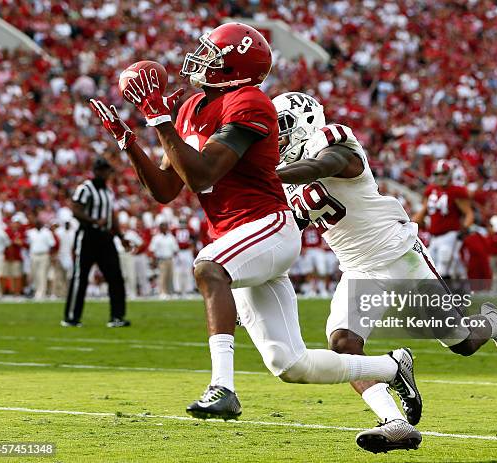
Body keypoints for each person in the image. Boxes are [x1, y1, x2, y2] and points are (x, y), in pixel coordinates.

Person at [89, 23, 423, 436]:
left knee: (208, 267)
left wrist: (159, 118)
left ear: (235, 69)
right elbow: (165, 188)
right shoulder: (192, 108)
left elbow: (203, 175)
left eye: (214, 53)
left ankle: (222, 387)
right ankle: (392, 366)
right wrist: (129, 140)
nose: (201, 57)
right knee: (290, 364)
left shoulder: (250, 102)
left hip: (268, 225)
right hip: (237, 238)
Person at [273, 91, 497, 453]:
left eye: (283, 126)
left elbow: (321, 167)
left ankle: (493, 323)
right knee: (344, 344)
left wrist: (264, 174)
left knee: (461, 342)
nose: (276, 136)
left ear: (306, 120)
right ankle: (394, 421)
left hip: (399, 257)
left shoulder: (332, 141)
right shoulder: (287, 178)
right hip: (357, 268)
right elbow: (286, 231)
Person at [62, 158, 130, 327]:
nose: (108, 174)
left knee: (115, 277)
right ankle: (71, 317)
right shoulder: (85, 188)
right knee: (80, 277)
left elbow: (111, 216)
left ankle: (117, 317)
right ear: (98, 171)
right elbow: (75, 209)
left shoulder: (108, 191)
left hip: (106, 237)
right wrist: (92, 220)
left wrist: (121, 237)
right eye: (106, 171)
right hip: (87, 235)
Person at [413, 160, 474, 280]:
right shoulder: (430, 190)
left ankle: (448, 296)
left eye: (443, 173)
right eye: (437, 174)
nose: (441, 177)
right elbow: (424, 210)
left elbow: (469, 213)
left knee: (443, 267)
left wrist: (465, 228)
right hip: (433, 236)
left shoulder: (456, 191)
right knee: (430, 268)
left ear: (450, 174)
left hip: (450, 235)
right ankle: (454, 292)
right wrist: (411, 223)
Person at [26, 218, 56, 299]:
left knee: (42, 274)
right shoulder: (31, 232)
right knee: (34, 274)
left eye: (39, 223)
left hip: (44, 255)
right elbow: (28, 244)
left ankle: (41, 292)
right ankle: (36, 290)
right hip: (33, 255)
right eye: (37, 223)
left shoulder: (47, 232)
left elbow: (52, 244)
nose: (38, 224)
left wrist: (51, 256)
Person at [149, 221, 179, 299]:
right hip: (161, 259)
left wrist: (175, 258)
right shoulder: (156, 238)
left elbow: (175, 249)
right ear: (160, 228)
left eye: (166, 227)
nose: (165, 228)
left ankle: (170, 292)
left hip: (170, 259)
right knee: (162, 276)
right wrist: (153, 261)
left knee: (170, 276)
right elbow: (152, 250)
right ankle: (162, 292)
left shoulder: (171, 237)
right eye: (163, 227)